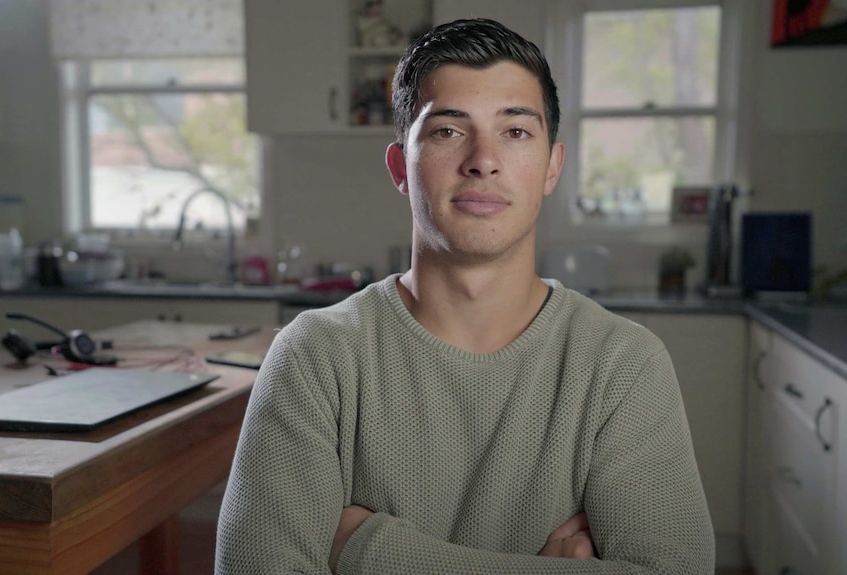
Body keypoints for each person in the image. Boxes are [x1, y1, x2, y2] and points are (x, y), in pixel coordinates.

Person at [215, 17, 715, 574]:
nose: (483, 158)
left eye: (516, 131)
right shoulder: (315, 357)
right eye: (448, 130)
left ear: (552, 166)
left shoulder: (622, 363)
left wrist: (367, 551)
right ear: (400, 168)